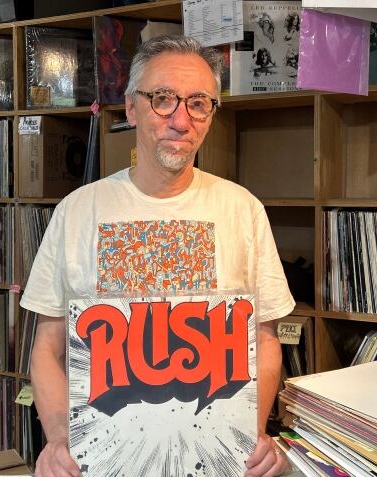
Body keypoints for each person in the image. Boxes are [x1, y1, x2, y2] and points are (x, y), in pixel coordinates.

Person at [21, 35, 295, 477]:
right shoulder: (78, 211)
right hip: (104, 462)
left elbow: (263, 340)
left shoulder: (242, 209)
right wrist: (57, 440)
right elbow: (49, 347)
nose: (181, 120)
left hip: (216, 462)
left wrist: (253, 431)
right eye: (163, 100)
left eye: (199, 103)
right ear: (131, 107)